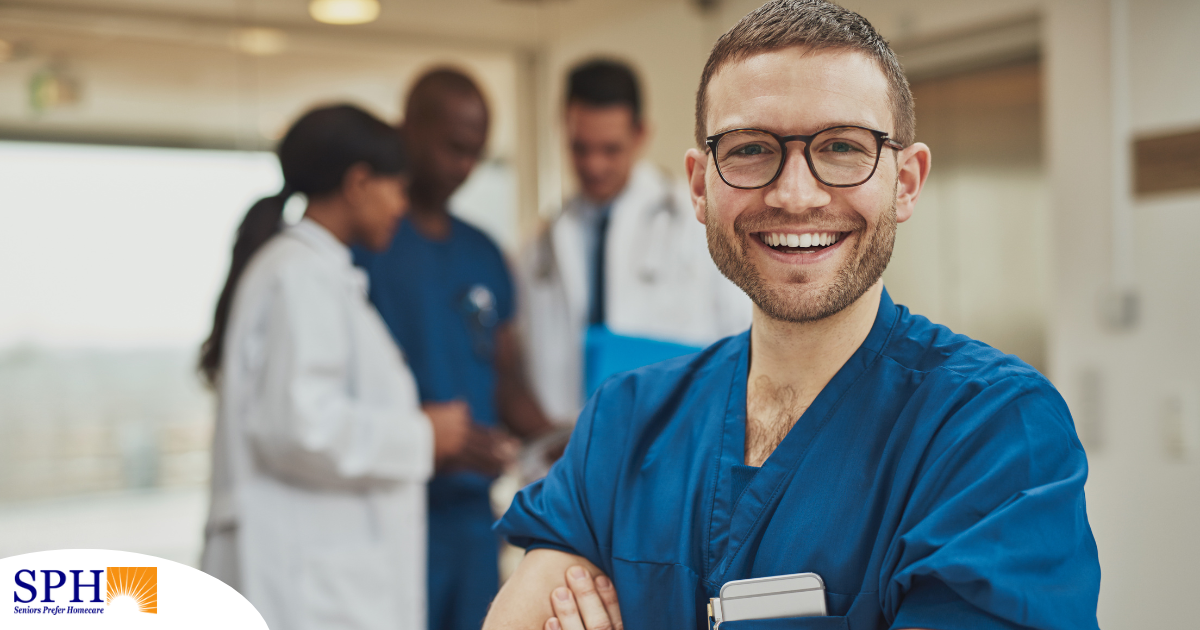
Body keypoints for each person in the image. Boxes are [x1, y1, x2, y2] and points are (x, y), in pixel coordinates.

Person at [485, 2, 1102, 629]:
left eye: (841, 147)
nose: (794, 194)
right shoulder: (625, 423)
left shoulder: (993, 433)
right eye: (751, 149)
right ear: (700, 186)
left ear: (906, 181)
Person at [198, 104, 471, 630]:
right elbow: (299, 426)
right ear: (359, 182)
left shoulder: (315, 273)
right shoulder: (300, 276)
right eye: (396, 189)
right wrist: (422, 436)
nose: (401, 207)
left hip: (318, 576)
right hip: (305, 584)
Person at [353, 69, 557, 630]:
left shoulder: (484, 254)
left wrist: (563, 438)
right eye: (453, 148)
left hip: (471, 519)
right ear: (409, 129)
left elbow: (505, 377)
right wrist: (424, 434)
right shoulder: (364, 246)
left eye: (476, 154)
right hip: (384, 509)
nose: (464, 167)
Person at [520, 59, 751, 424]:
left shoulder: (696, 221)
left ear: (641, 134)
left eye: (610, 149)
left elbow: (744, 338)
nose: (594, 165)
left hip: (677, 436)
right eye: (581, 148)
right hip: (570, 449)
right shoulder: (543, 244)